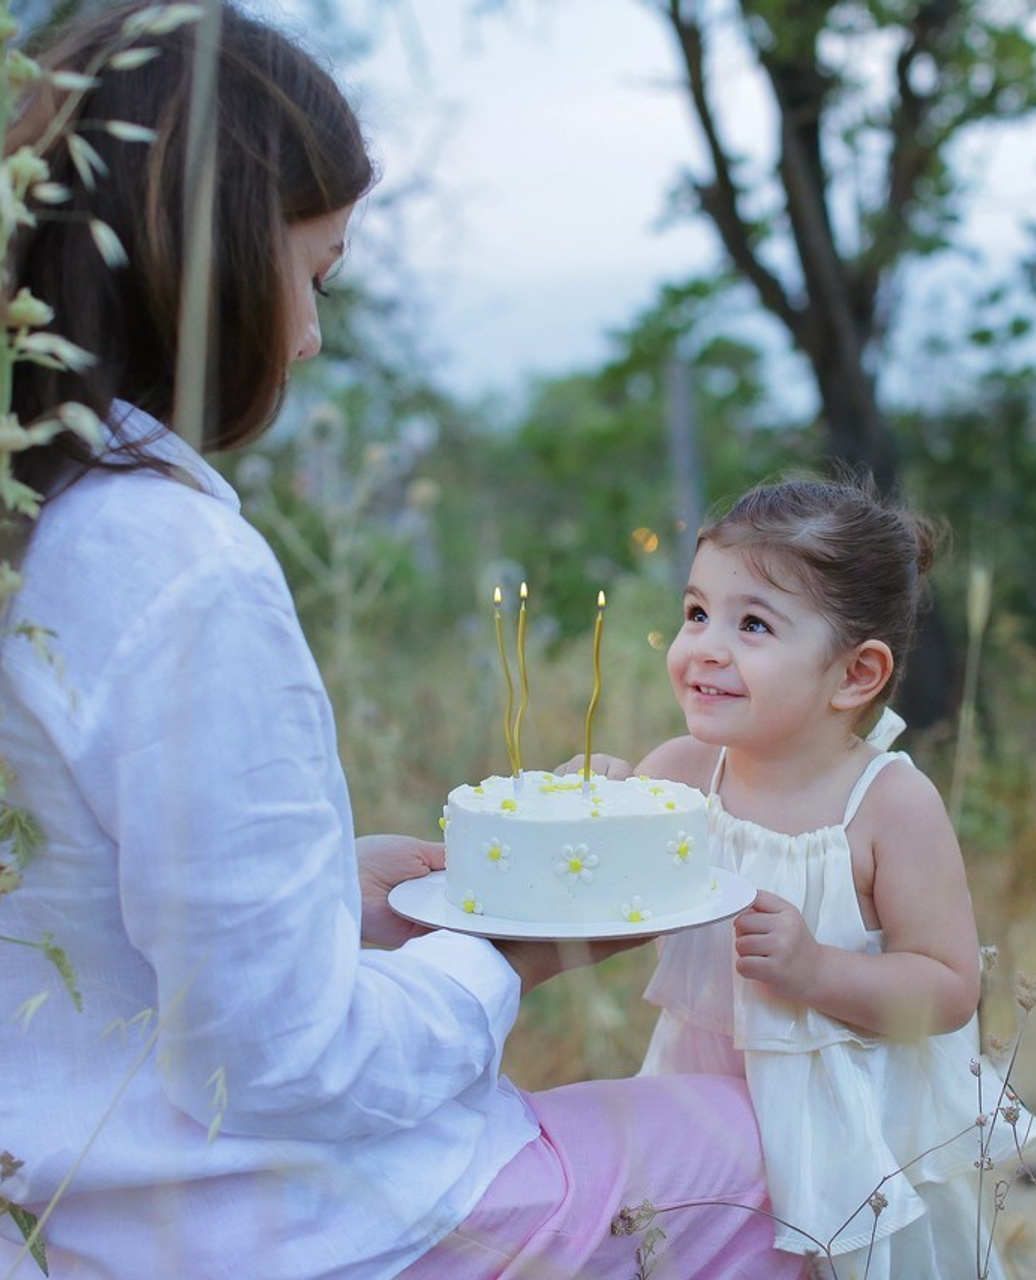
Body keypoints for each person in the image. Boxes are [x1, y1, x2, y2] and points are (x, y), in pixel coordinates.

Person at [0, 6, 805, 1277]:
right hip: (254, 1230)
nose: (309, 334)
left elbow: (94, 912)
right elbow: (280, 1063)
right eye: (313, 274)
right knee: (775, 1161)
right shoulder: (174, 563)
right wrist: (499, 954)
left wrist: (334, 894)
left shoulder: (30, 523)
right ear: (209, 257)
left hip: (50, 1217)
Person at [569, 477, 1036, 1278]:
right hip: (697, 1112)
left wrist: (817, 969)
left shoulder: (887, 805)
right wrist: (585, 815)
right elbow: (604, 904)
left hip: (840, 1138)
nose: (704, 647)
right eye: (697, 613)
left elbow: (947, 987)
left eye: (753, 624)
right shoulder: (681, 774)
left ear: (855, 674)